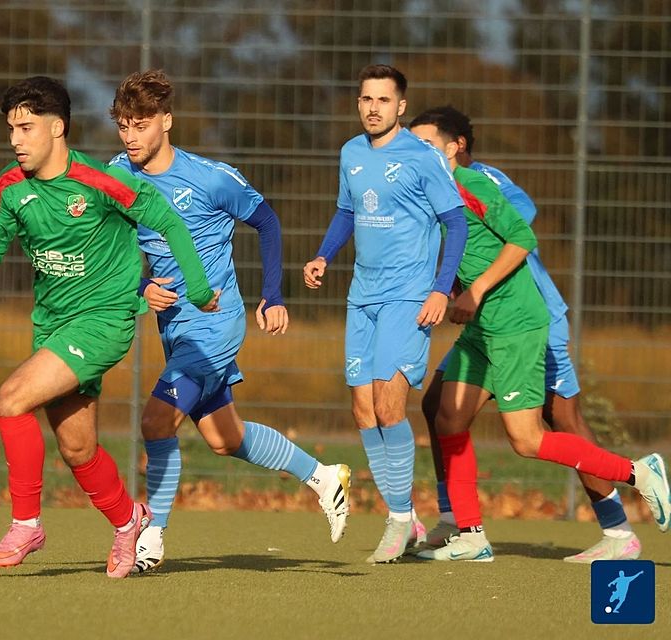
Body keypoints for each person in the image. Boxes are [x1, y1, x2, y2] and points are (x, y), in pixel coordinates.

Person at [0, 76, 219, 578]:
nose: (15, 139)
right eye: (11, 129)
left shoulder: (101, 182)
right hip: (52, 326)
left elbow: (169, 221)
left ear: (57, 128)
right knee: (77, 448)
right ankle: (129, 522)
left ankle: (26, 524)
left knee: (12, 398)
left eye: (26, 128)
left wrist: (199, 291)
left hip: (103, 322)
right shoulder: (10, 188)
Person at [108, 69, 352, 573]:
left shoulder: (210, 177)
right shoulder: (117, 174)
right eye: (124, 126)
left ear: (166, 122)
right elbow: (110, 245)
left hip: (214, 323)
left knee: (156, 421)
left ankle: (150, 536)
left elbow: (266, 220)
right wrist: (140, 286)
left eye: (141, 125)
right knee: (225, 439)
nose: (130, 136)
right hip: (174, 325)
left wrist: (272, 295)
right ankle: (324, 477)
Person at [407, 107, 670, 562]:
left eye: (426, 145)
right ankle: (468, 531)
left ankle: (637, 479)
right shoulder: (429, 191)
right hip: (483, 328)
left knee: (539, 432)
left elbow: (521, 231)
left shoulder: (474, 182)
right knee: (446, 415)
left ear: (454, 148)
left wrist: (476, 289)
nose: (417, 153)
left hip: (519, 321)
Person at [302, 64, 469, 563]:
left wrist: (440, 290)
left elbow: (456, 223)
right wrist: (323, 255)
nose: (373, 108)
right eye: (366, 99)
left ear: (400, 106)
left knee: (389, 407)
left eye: (383, 100)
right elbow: (347, 211)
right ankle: (406, 516)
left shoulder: (422, 156)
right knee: (362, 410)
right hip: (363, 295)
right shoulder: (351, 152)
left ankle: (397, 520)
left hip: (409, 295)